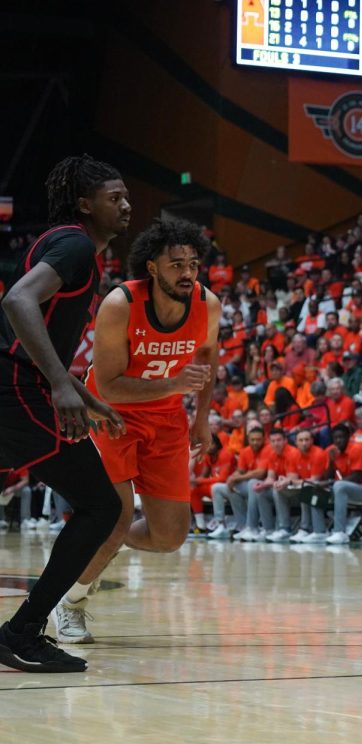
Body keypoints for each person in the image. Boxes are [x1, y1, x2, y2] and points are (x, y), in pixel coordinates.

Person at [53, 218, 220, 644]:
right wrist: (176, 385)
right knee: (117, 513)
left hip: (166, 420)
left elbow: (208, 358)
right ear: (152, 267)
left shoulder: (208, 304)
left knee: (169, 536)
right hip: (110, 414)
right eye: (176, 264)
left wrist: (201, 417)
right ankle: (68, 603)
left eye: (193, 264)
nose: (186, 273)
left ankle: (101, 539)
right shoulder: (120, 304)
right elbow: (108, 385)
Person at [0, 155, 129, 672]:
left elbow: (29, 332)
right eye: (113, 197)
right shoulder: (75, 245)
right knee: (102, 505)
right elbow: (17, 302)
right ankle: (23, 632)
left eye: (126, 196)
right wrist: (58, 383)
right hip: (16, 389)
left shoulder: (64, 244)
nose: (126, 205)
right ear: (84, 204)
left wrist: (82, 391)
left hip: (17, 383)